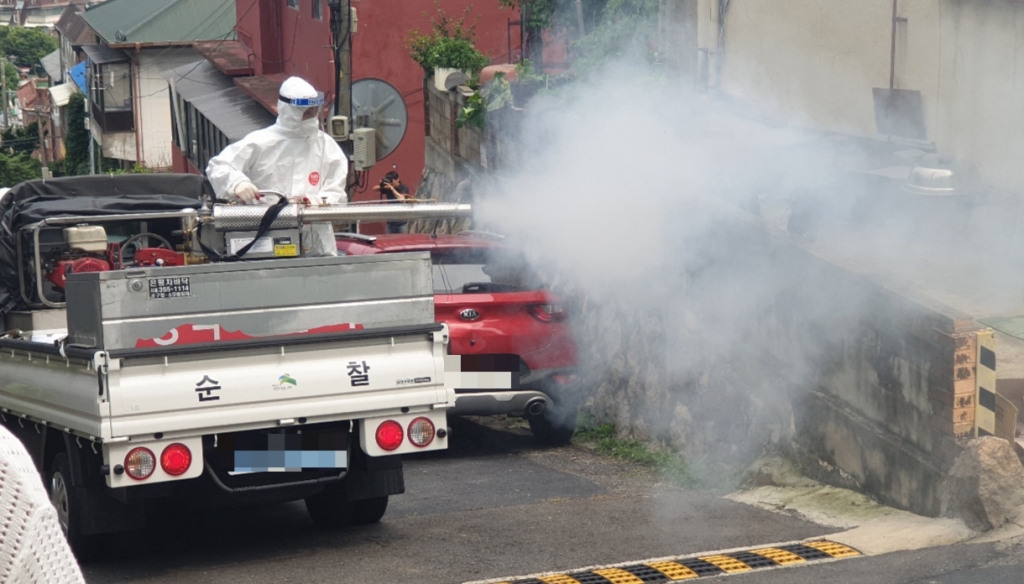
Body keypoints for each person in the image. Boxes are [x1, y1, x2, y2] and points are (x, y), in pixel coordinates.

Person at [206, 76, 347, 256]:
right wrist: (236, 182)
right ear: (288, 110)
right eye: (305, 112)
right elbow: (218, 166)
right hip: (265, 239)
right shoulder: (260, 142)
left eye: (313, 111)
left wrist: (315, 202)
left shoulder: (327, 147)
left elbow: (337, 191)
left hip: (316, 244)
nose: (310, 117)